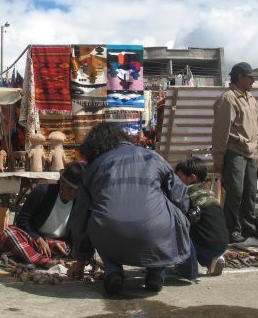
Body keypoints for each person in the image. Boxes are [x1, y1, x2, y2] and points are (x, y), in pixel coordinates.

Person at [67, 122, 192, 294]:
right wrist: (181, 217)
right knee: (171, 212)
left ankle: (113, 271)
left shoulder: (93, 168)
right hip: (156, 230)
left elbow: (80, 218)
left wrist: (80, 260)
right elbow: (180, 197)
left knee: (99, 218)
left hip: (110, 233)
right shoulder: (153, 157)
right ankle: (156, 273)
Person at [0, 161, 85, 268]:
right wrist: (38, 239)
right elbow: (23, 219)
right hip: (35, 241)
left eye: (76, 191)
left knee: (74, 247)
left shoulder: (79, 201)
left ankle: (32, 258)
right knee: (9, 234)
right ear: (61, 182)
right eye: (70, 189)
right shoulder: (43, 192)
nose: (73, 194)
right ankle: (45, 262)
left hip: (58, 245)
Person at [212, 61, 258, 243]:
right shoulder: (228, 99)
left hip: (250, 152)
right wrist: (219, 157)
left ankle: (248, 227)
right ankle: (232, 229)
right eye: (250, 77)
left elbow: (256, 126)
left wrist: (256, 147)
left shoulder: (251, 99)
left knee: (250, 192)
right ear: (240, 78)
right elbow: (220, 131)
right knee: (235, 192)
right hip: (234, 151)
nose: (253, 81)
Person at [175, 157, 228, 276]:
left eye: (179, 177)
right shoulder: (210, 193)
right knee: (201, 231)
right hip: (223, 242)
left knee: (176, 227)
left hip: (205, 243)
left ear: (192, 178)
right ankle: (212, 260)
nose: (177, 181)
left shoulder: (186, 194)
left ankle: (187, 268)